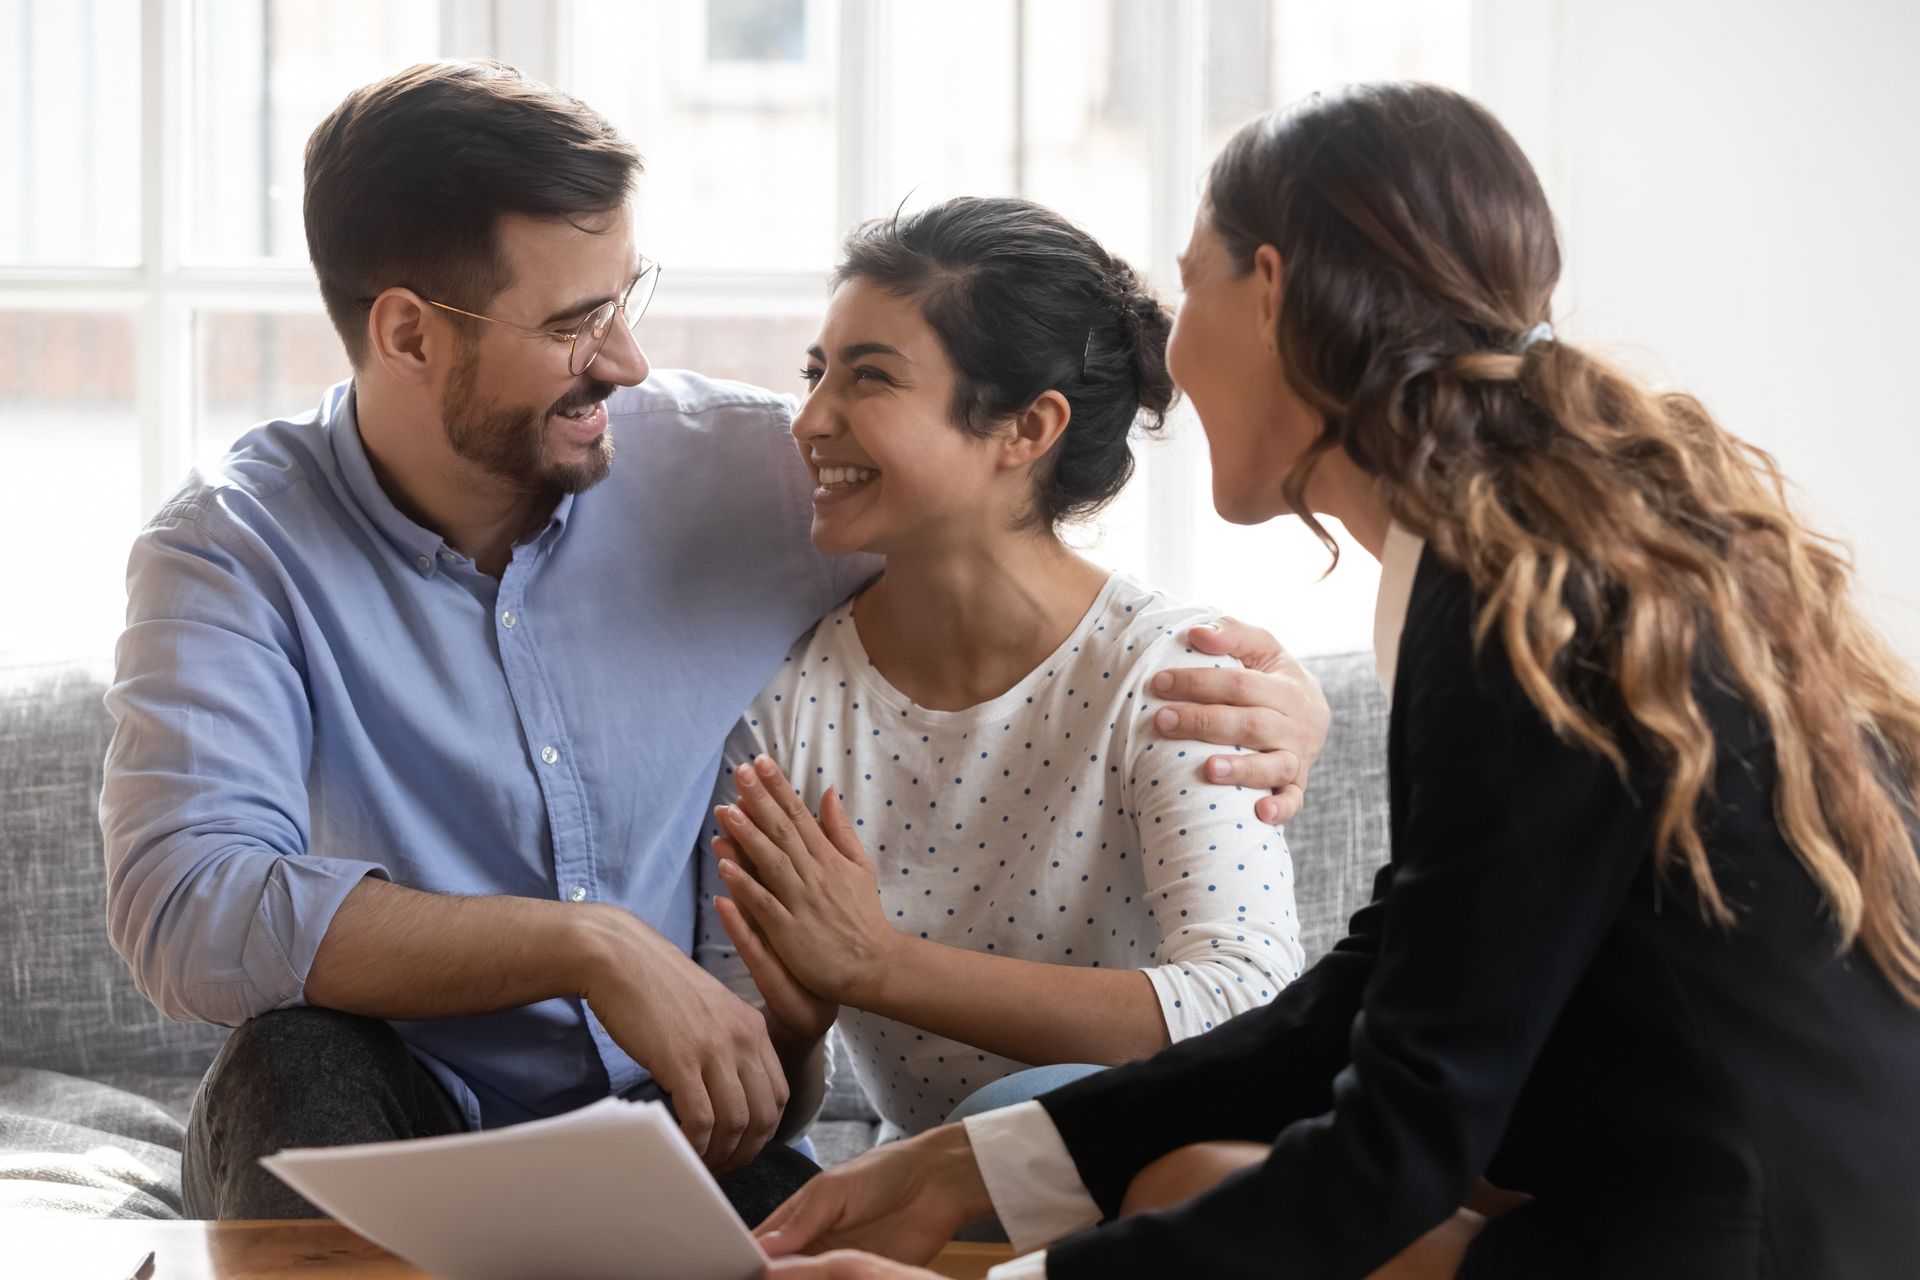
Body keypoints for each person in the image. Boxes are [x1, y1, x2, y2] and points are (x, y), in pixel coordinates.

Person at [96, 61, 1331, 1225]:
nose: (629, 361)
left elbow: (995, 541)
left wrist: (1281, 695)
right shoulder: (231, 550)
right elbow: (187, 903)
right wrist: (585, 945)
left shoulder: (759, 472)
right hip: (406, 1112)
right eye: (579, 320)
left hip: (691, 1135)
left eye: (628, 298)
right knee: (291, 1058)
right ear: (410, 333)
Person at [747, 83, 1920, 1279]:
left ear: (1271, 292)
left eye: (1188, 282)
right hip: (1756, 1206)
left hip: (1743, 1244)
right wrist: (966, 1164)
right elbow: (1365, 994)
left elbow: (1408, 1123)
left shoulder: (1517, 598)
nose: (1171, 353)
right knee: (1190, 1173)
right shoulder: (1513, 543)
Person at [691, 198, 1309, 1147]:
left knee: (1014, 1114)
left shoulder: (1172, 678)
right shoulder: (783, 708)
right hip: (933, 1198)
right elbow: (753, 1103)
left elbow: (1245, 1004)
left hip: (1172, 1170)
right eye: (816, 375)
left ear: (1027, 429)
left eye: (868, 379)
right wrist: (795, 1025)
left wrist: (880, 966)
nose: (810, 419)